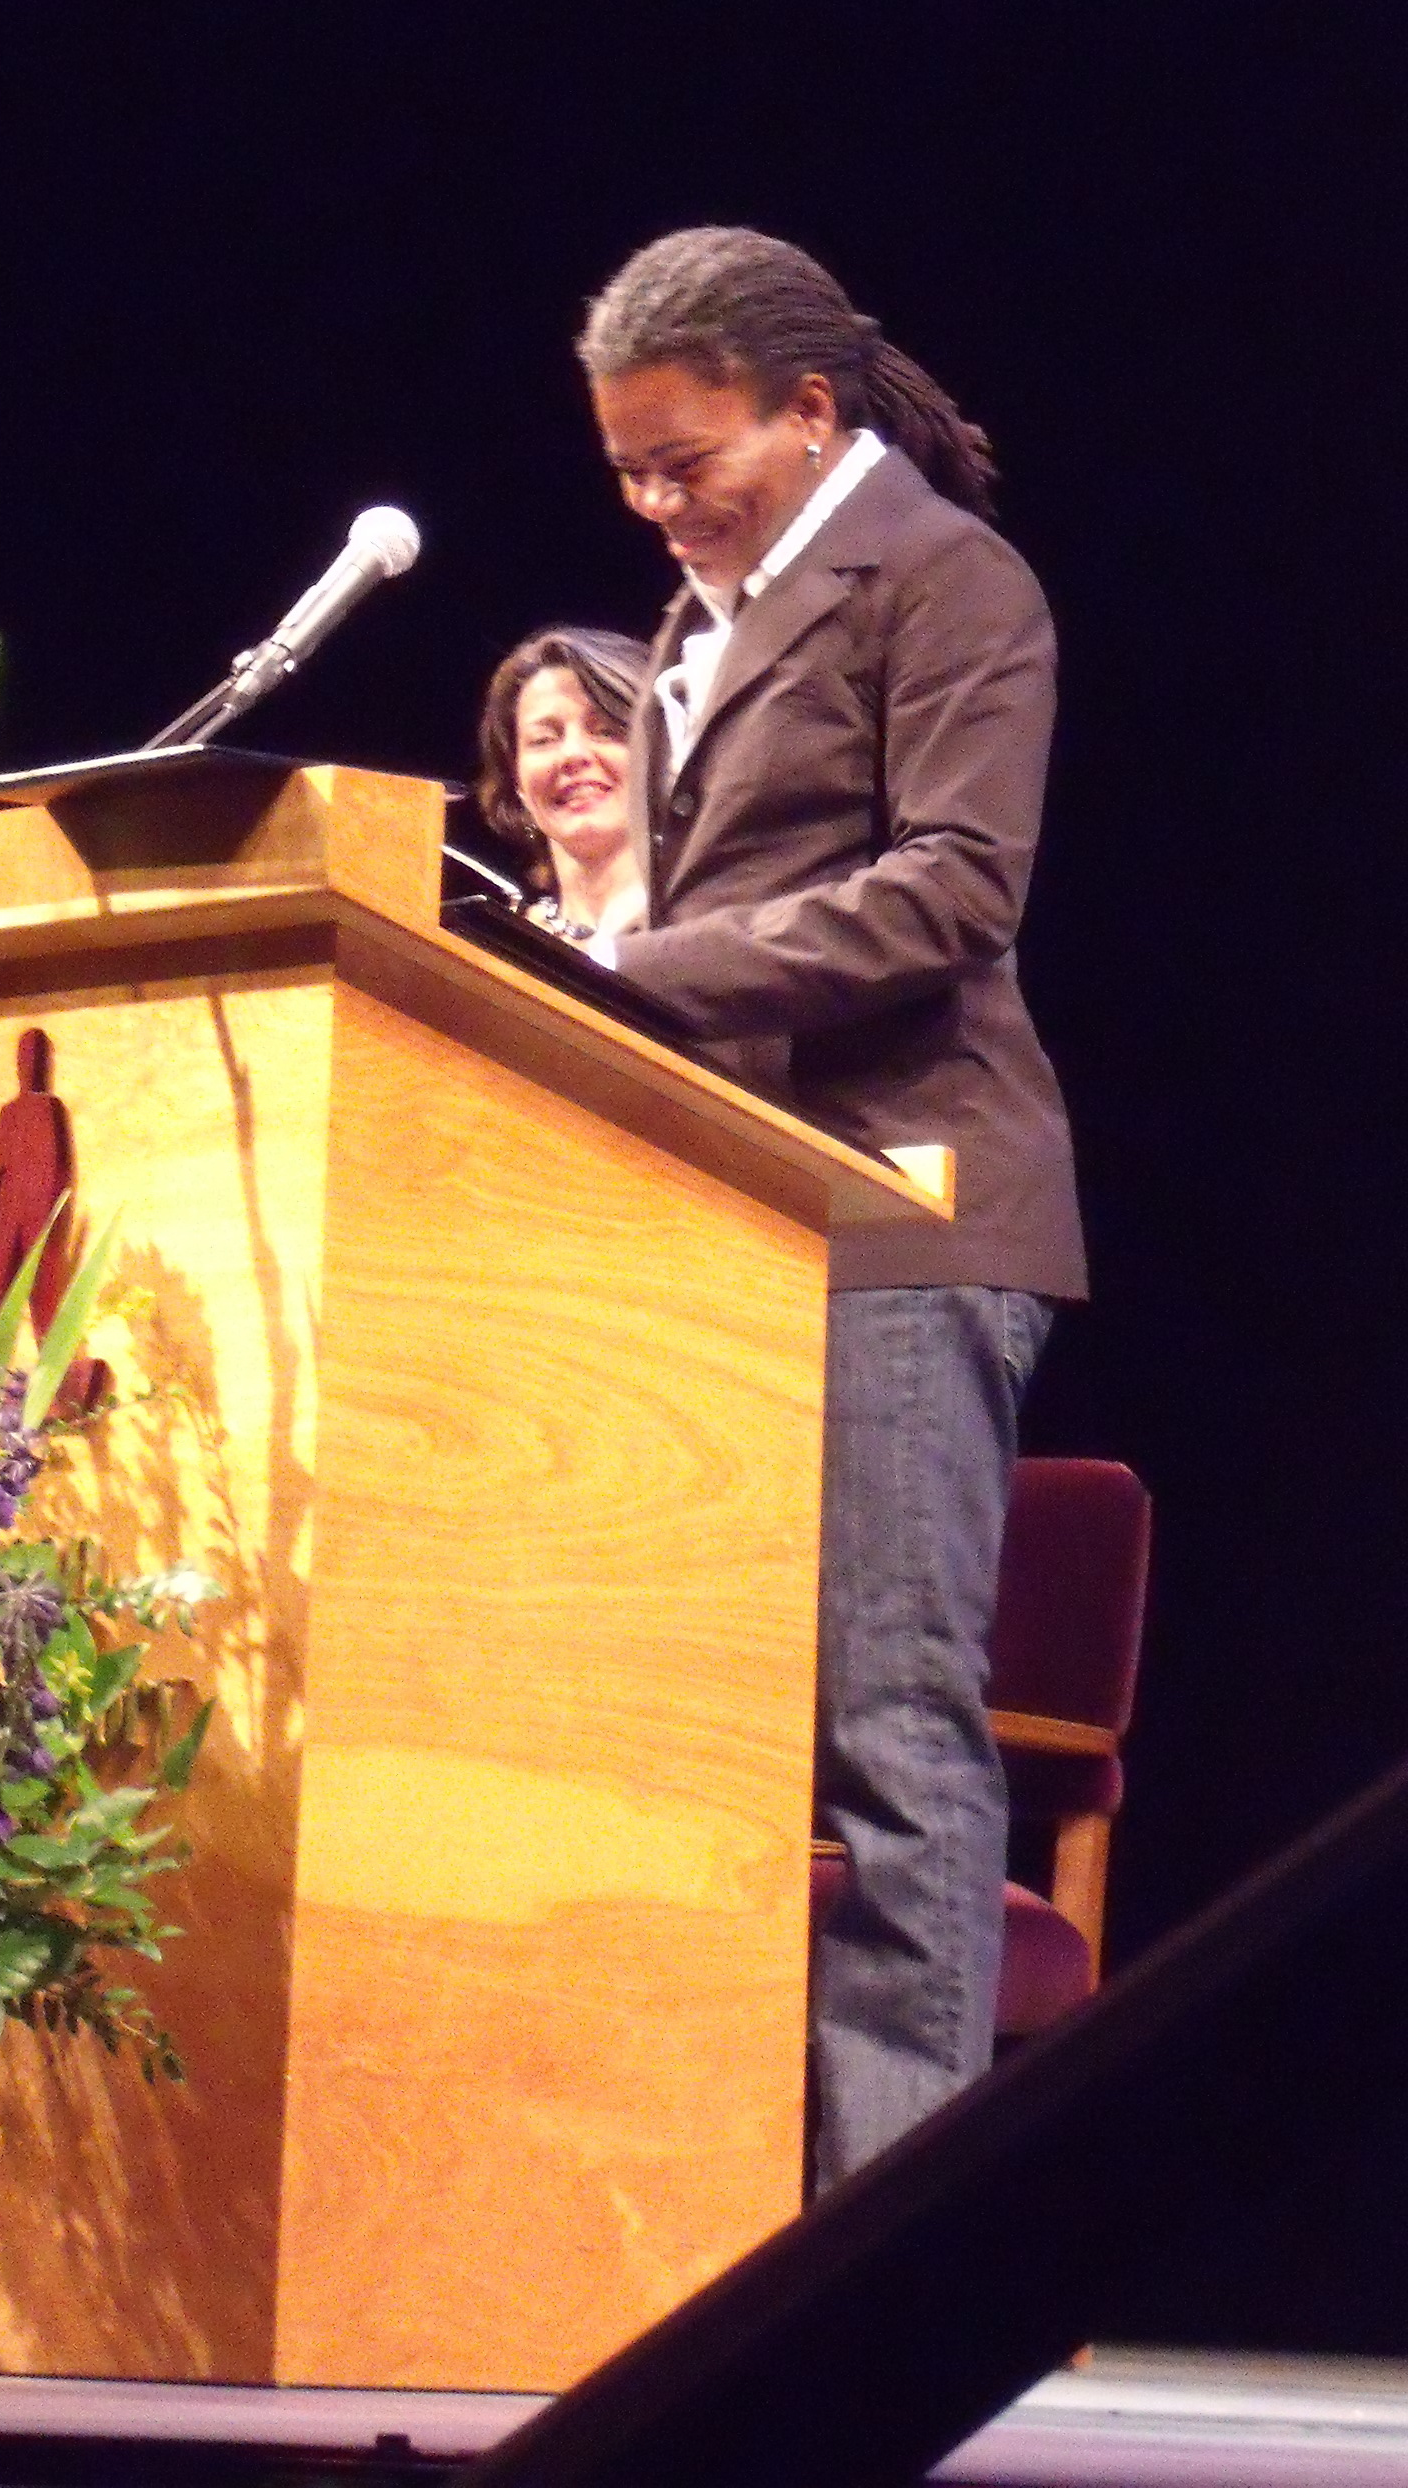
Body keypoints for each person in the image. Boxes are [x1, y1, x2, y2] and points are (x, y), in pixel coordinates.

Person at [575, 226, 1087, 2185]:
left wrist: (633, 975)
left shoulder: (949, 581)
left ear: (809, 409)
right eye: (624, 468)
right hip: (724, 1219)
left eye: (685, 458)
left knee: (889, 1730)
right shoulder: (697, 623)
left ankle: (891, 2237)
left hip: (904, 1206)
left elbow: (956, 889)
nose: (655, 504)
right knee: (697, 1730)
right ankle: (687, 2211)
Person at [474, 628, 649, 940]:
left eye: (606, 730)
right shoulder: (492, 948)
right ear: (518, 786)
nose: (572, 754)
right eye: (543, 740)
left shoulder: (717, 940)